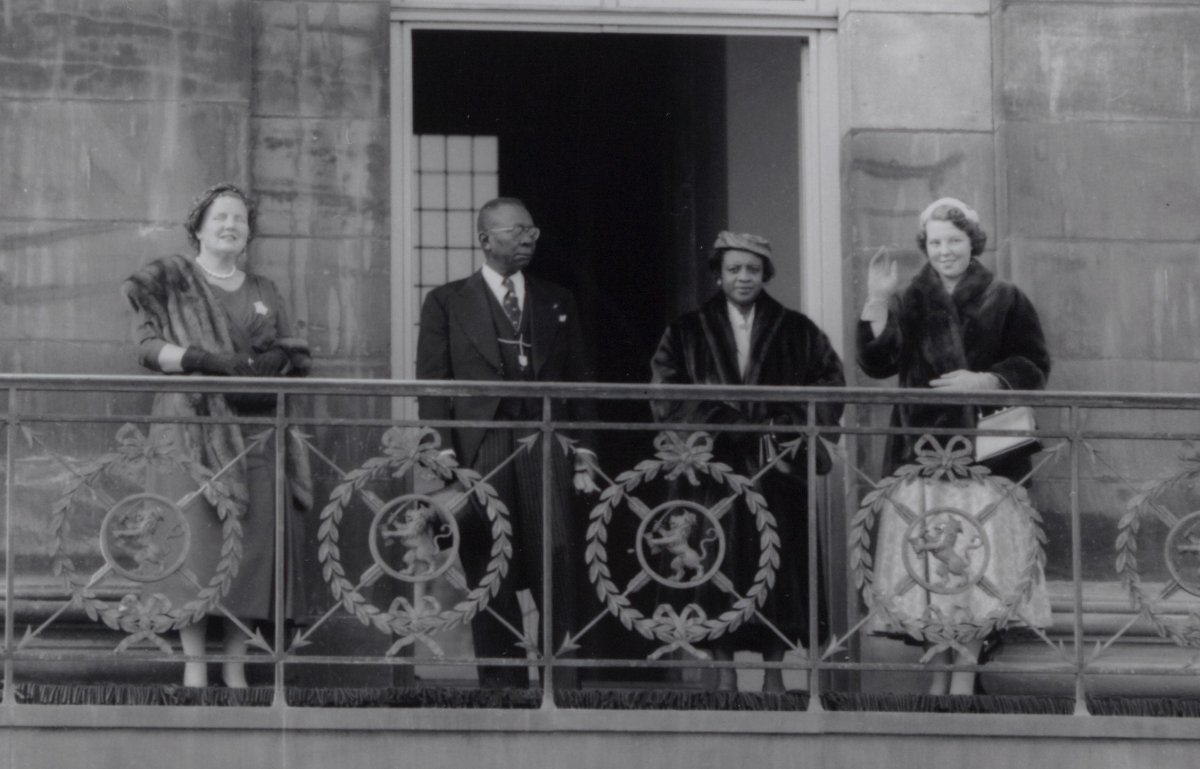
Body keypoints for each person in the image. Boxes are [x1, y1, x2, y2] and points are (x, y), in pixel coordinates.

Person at [856, 197, 1051, 695]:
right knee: (930, 573)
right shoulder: (907, 300)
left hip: (985, 457)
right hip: (921, 454)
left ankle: (963, 676)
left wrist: (990, 379)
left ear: (972, 243)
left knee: (972, 566)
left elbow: (1034, 364)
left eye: (955, 241)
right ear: (926, 246)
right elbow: (877, 364)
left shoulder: (1006, 296)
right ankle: (937, 680)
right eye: (936, 242)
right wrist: (877, 301)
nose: (945, 251)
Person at [123, 182, 312, 688]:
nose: (231, 226)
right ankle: (194, 666)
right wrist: (203, 360)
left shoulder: (264, 289)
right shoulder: (170, 283)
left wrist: (281, 358)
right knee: (196, 545)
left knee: (252, 548)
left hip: (255, 431)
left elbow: (294, 346)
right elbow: (146, 348)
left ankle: (234, 664)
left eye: (240, 219)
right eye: (220, 218)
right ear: (198, 227)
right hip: (190, 430)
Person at [650, 231, 845, 693]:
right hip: (711, 470)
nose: (743, 277)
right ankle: (724, 672)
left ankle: (776, 672)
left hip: (775, 468)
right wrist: (725, 425)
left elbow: (830, 385)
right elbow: (665, 394)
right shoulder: (686, 331)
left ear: (765, 275)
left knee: (778, 568)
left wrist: (783, 425)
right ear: (718, 273)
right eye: (734, 269)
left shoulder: (798, 330)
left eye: (752, 270)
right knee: (714, 565)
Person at [416, 197, 597, 689]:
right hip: (482, 449)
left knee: (556, 556)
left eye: (531, 231)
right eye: (516, 231)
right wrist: (444, 454)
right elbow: (432, 383)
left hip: (545, 443)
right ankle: (502, 686)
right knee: (489, 563)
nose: (527, 239)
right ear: (485, 239)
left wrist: (583, 449)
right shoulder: (446, 302)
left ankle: (564, 684)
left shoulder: (556, 299)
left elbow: (578, 381)